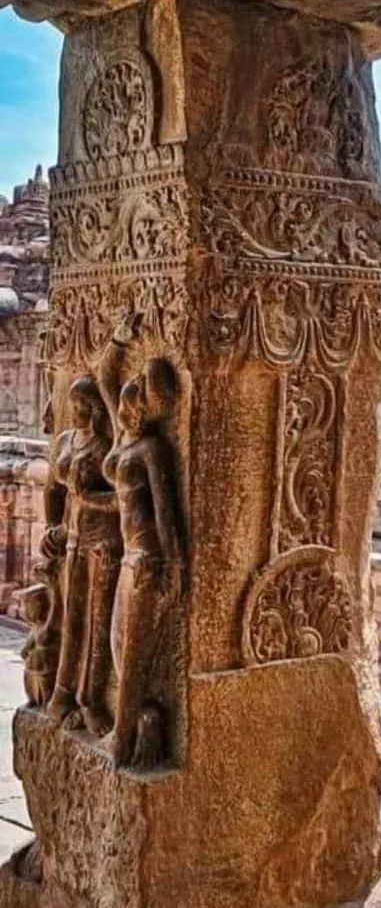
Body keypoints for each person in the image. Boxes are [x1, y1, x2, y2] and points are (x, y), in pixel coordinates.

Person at [98, 322, 183, 767]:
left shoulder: (152, 448)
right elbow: (103, 377)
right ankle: (137, 721)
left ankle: (124, 735)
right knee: (116, 645)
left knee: (132, 650)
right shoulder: (123, 436)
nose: (132, 396)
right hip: (127, 553)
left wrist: (173, 568)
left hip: (146, 556)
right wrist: (119, 338)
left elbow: (166, 514)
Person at [45, 377, 119, 736]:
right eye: (73, 404)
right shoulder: (65, 441)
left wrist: (87, 498)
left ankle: (91, 697)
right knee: (71, 618)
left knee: (98, 623)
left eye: (82, 405)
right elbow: (54, 489)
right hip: (72, 540)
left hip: (103, 542)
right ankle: (63, 691)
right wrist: (52, 527)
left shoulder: (106, 447)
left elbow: (123, 502)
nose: (76, 411)